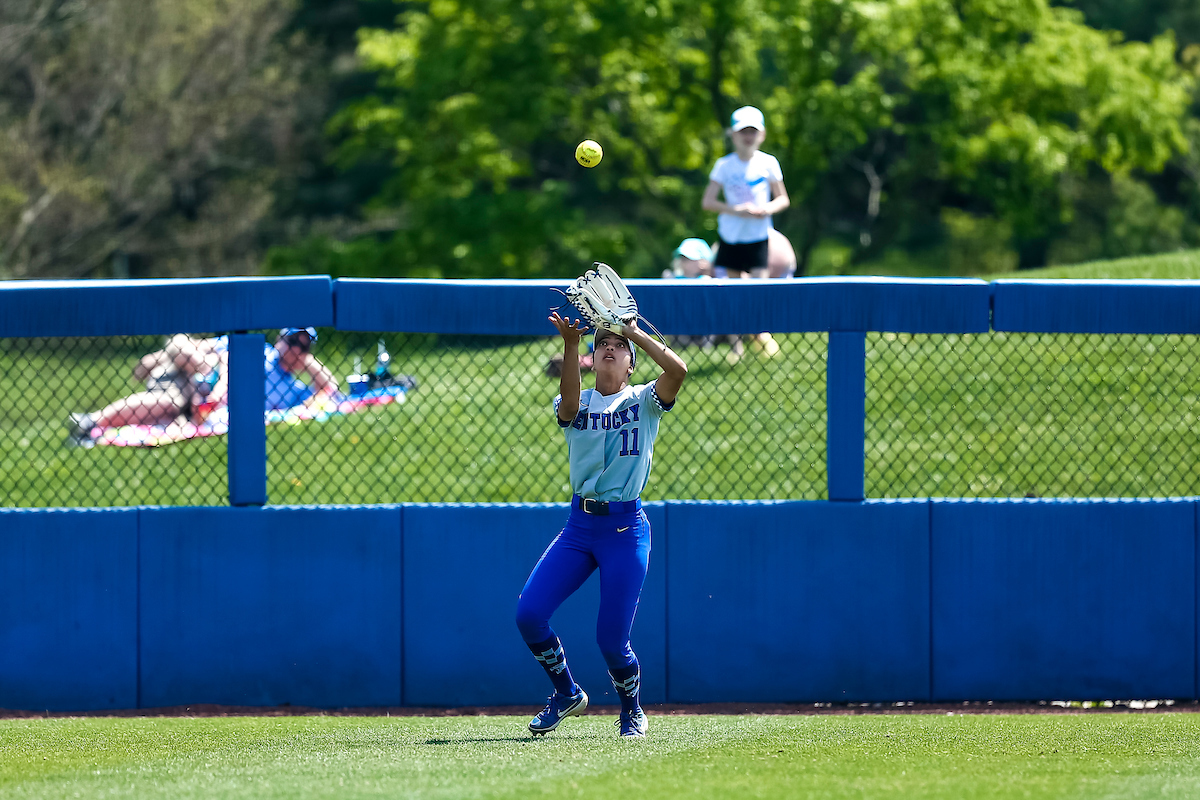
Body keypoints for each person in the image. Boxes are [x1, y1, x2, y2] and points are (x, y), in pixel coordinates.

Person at [516, 311, 687, 739]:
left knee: (611, 641)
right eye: (602, 343)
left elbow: (679, 369)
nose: (609, 347)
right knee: (529, 615)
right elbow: (570, 406)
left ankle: (631, 710)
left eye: (619, 346)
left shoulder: (646, 400)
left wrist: (635, 332)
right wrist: (573, 345)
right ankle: (566, 693)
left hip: (626, 529)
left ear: (631, 364)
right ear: (593, 358)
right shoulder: (576, 402)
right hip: (581, 526)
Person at [67, 334, 221, 445]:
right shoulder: (201, 346)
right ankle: (91, 421)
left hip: (197, 398)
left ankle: (91, 421)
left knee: (170, 400)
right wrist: (170, 355)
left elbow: (222, 387)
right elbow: (144, 368)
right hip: (176, 386)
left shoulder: (226, 352)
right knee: (167, 399)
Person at [701, 105, 790, 279]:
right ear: (733, 135)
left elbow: (782, 199)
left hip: (758, 235)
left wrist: (766, 209)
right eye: (743, 132)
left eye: (752, 131)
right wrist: (737, 210)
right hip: (731, 235)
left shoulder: (769, 163)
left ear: (762, 134)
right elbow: (708, 202)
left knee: (759, 288)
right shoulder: (724, 166)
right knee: (736, 290)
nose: (748, 137)